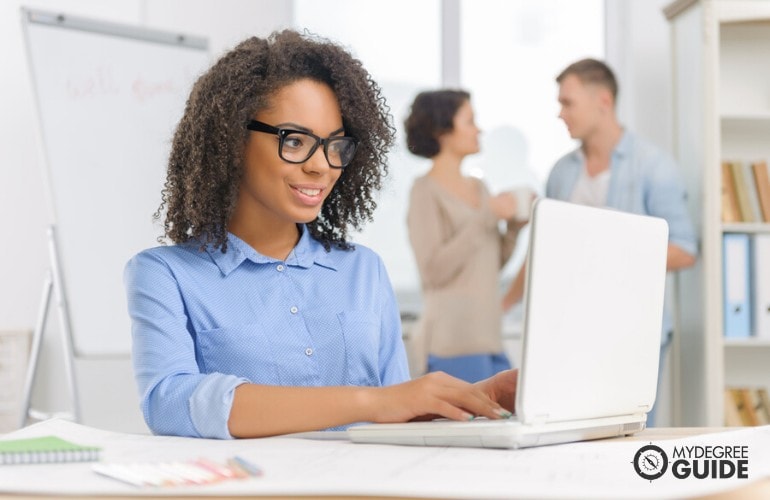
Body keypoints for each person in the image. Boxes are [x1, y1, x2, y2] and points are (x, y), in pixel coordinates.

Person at [123, 30, 517, 440]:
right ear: (232, 139)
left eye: (335, 146)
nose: (322, 167)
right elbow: (169, 402)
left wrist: (470, 401)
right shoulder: (164, 275)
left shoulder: (363, 270)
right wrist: (374, 402)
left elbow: (396, 421)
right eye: (294, 141)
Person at [501, 58, 697, 425]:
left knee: (627, 442)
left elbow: (685, 250)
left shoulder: (654, 166)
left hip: (632, 333)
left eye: (567, 103)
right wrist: (503, 306)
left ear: (603, 102)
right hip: (568, 332)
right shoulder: (562, 172)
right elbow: (543, 251)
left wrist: (609, 251)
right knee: (567, 439)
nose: (560, 114)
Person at [404, 90, 527, 384]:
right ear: (442, 130)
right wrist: (487, 217)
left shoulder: (479, 187)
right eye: (470, 121)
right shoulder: (425, 191)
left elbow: (489, 264)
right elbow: (434, 270)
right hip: (452, 345)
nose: (479, 129)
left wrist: (513, 227)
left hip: (490, 340)